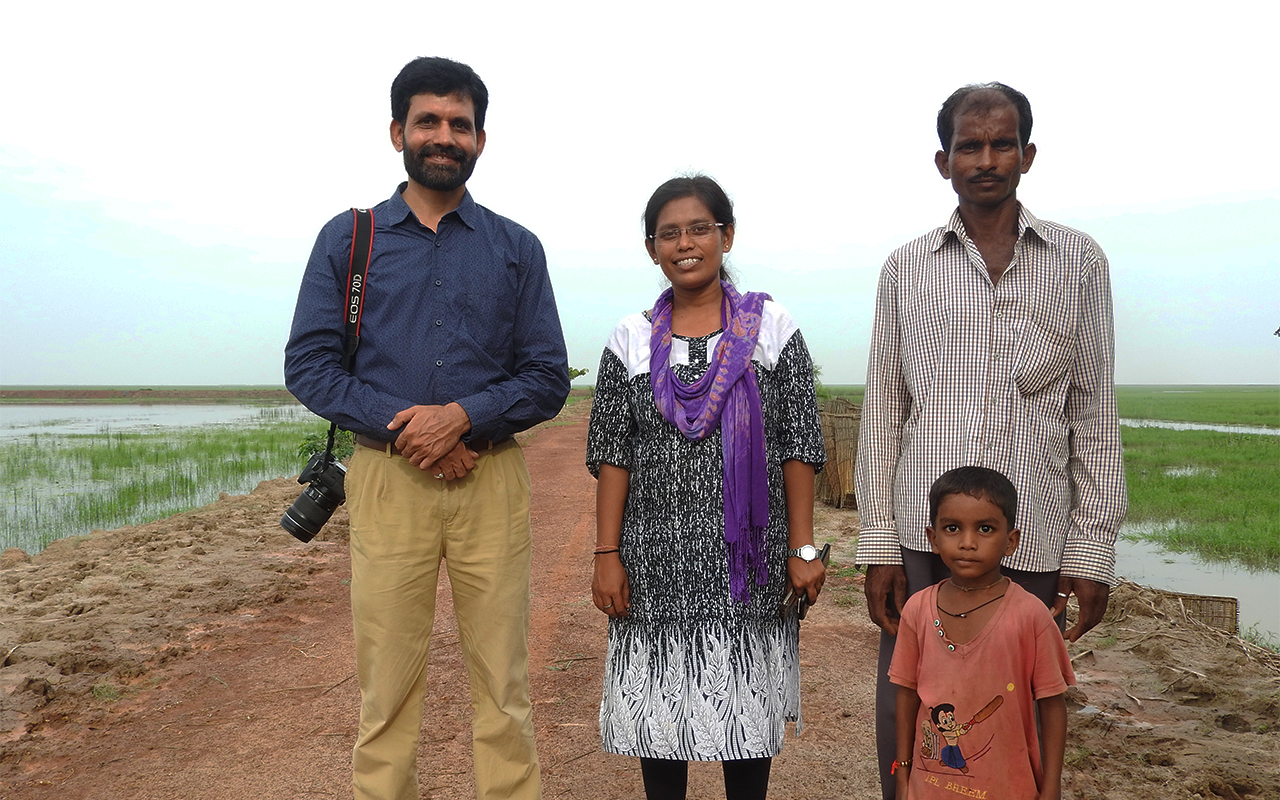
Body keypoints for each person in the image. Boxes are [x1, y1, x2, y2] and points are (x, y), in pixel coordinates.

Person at [284, 57, 570, 800]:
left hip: (492, 480)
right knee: (386, 688)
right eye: (428, 122)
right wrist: (411, 429)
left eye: (459, 124)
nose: (444, 136)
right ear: (396, 133)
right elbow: (310, 367)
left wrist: (463, 419)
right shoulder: (349, 241)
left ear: (480, 140)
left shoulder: (517, 248)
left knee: (503, 686)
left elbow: (546, 376)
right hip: (386, 480)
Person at [854, 82, 1126, 799]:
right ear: (942, 161)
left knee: (1020, 703)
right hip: (924, 536)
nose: (985, 159)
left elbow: (1094, 413)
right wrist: (880, 545)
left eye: (1001, 143)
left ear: (1027, 154)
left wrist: (1092, 548)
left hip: (1030, 537)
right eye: (968, 146)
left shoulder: (1079, 263)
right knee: (908, 696)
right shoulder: (906, 269)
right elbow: (885, 410)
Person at [586, 175, 827, 800]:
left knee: (744, 733)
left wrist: (802, 550)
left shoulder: (770, 327)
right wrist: (606, 556)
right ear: (651, 248)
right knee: (660, 736)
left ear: (727, 236)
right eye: (669, 233)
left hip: (749, 562)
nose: (685, 243)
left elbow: (798, 444)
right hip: (656, 565)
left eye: (699, 228)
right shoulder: (630, 339)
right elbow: (615, 455)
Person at [890, 466, 1074, 800]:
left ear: (1011, 541)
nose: (968, 542)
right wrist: (903, 773)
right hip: (928, 789)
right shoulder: (917, 610)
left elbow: (1051, 705)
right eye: (952, 528)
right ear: (933, 538)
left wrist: (1051, 787)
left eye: (986, 528)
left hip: (1009, 786)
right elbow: (906, 694)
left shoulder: (1030, 616)